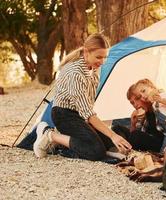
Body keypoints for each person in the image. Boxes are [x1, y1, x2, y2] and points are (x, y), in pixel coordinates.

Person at [33, 33, 132, 161]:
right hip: (64, 115)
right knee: (96, 151)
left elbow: (87, 105)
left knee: (110, 141)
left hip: (80, 115)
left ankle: (66, 140)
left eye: (104, 57)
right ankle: (50, 135)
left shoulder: (94, 67)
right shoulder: (75, 73)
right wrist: (112, 135)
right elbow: (88, 113)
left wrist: (104, 133)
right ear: (86, 52)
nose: (102, 62)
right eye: (98, 57)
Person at [112, 82, 166, 153]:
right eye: (132, 103)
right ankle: (121, 148)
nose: (135, 104)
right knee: (117, 128)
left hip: (164, 141)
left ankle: (123, 149)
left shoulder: (159, 106)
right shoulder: (143, 115)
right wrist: (133, 123)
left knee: (136, 136)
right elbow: (138, 133)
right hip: (149, 139)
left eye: (137, 99)